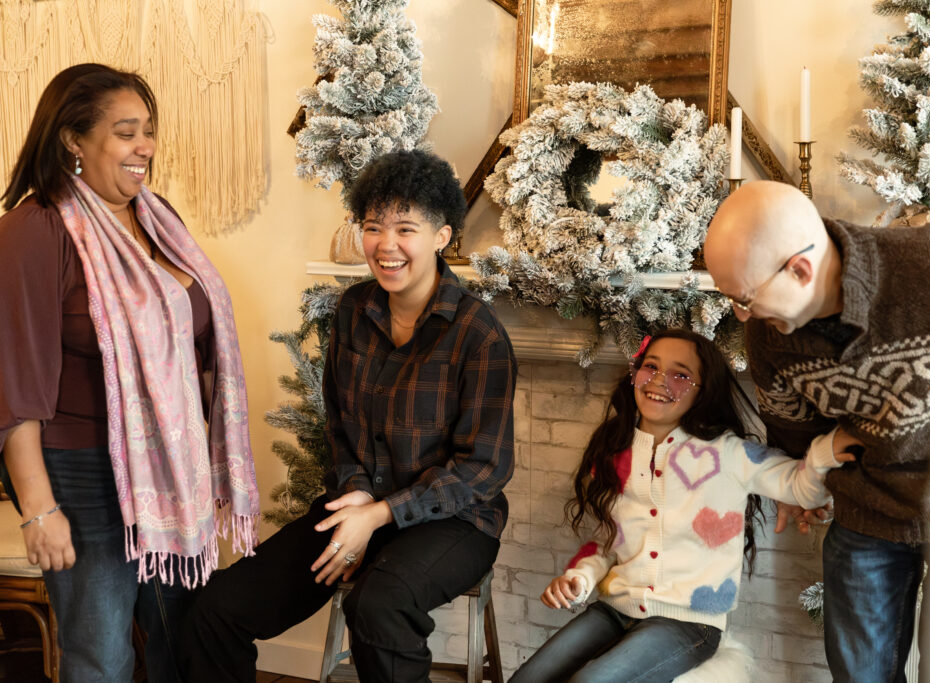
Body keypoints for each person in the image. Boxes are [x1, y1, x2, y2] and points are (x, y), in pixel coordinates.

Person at [181, 149, 518, 682]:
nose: (386, 245)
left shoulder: (479, 334)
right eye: (373, 227)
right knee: (217, 609)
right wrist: (358, 493)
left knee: (379, 607)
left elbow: (482, 470)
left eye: (406, 228)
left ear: (441, 237)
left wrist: (378, 516)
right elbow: (340, 425)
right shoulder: (352, 311)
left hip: (456, 523)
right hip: (363, 503)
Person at [0, 63, 260, 682]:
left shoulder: (155, 216)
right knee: (101, 653)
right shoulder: (34, 231)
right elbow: (14, 386)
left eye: (148, 130)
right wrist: (38, 509)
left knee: (184, 635)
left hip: (171, 468)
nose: (144, 146)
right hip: (82, 473)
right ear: (72, 139)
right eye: (125, 132)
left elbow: (188, 342)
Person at [703, 180, 930, 683]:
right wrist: (800, 484)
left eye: (744, 299)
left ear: (800, 268)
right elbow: (788, 421)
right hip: (866, 510)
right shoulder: (771, 334)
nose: (741, 315)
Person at [510, 329, 855, 683]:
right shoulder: (616, 451)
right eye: (651, 367)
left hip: (689, 624)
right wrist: (578, 579)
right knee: (527, 679)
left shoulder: (729, 453)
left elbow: (801, 489)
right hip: (613, 610)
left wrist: (826, 451)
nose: (660, 381)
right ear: (635, 373)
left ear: (703, 392)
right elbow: (607, 541)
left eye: (681, 375)